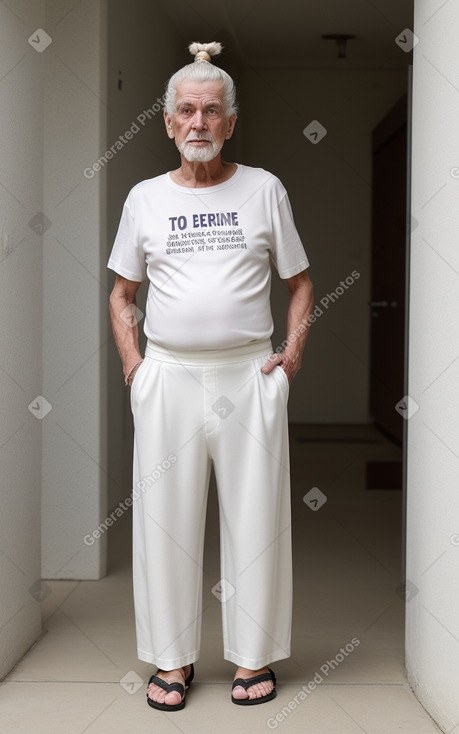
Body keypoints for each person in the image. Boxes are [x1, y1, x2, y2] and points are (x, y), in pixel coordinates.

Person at [108, 41, 314, 711]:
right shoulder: (143, 198)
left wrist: (289, 362)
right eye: (186, 111)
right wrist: (135, 369)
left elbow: (302, 284)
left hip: (246, 377)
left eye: (211, 111)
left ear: (230, 121)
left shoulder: (263, 189)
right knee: (164, 523)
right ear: (167, 122)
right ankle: (172, 663)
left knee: (256, 521)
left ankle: (253, 660)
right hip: (166, 377)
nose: (198, 123)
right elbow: (120, 295)